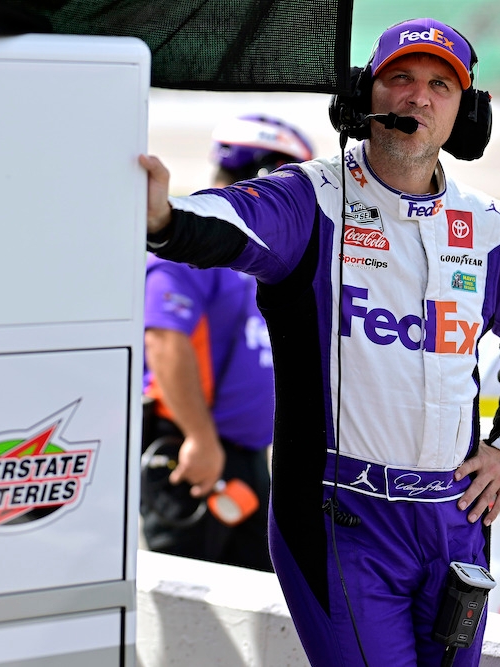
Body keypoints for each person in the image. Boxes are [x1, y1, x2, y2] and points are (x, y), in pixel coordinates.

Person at [138, 17, 500, 667]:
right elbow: (230, 218)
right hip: (343, 519)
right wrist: (166, 218)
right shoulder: (312, 198)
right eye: (401, 78)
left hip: (454, 522)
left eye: (441, 86)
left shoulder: (485, 223)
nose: (418, 97)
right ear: (366, 94)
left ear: (466, 113)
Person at [141, 114, 315, 572]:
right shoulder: (187, 243)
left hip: (246, 455)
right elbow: (164, 339)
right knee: (187, 590)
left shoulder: (255, 252)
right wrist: (199, 439)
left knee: (261, 588)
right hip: (196, 451)